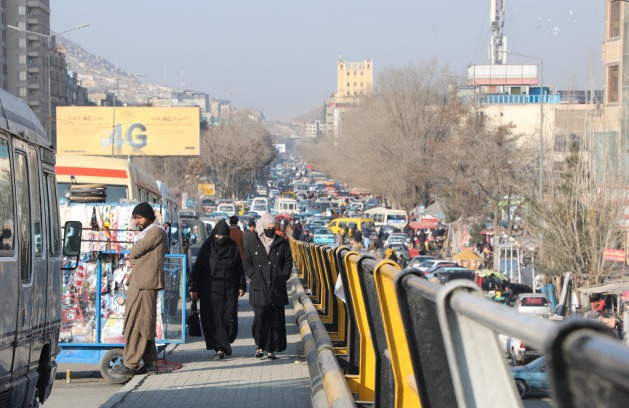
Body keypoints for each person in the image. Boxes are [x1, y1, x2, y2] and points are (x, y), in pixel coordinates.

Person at [113, 202, 167, 377]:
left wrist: (133, 255)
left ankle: (130, 364)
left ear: (148, 217)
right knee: (142, 322)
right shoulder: (148, 232)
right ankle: (150, 362)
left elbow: (136, 251)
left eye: (139, 217)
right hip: (140, 283)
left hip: (146, 283)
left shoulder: (155, 232)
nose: (137, 222)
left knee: (139, 324)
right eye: (135, 218)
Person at [189, 220, 246, 360]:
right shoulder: (207, 247)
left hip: (229, 288)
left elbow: (239, 268)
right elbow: (198, 269)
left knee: (228, 317)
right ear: (214, 234)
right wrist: (194, 287)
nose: (220, 239)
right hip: (210, 289)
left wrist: (241, 285)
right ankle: (219, 348)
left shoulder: (232, 247)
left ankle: (225, 342)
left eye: (223, 237)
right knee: (213, 318)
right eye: (218, 237)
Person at [242, 213, 293, 360]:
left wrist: (283, 275)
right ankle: (260, 345)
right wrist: (253, 275)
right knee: (260, 318)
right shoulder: (253, 243)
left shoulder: (282, 243)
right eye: (268, 227)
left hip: (276, 288)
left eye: (273, 227)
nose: (271, 229)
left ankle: (271, 349)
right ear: (262, 227)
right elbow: (247, 262)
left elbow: (288, 262)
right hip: (259, 288)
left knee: (274, 320)